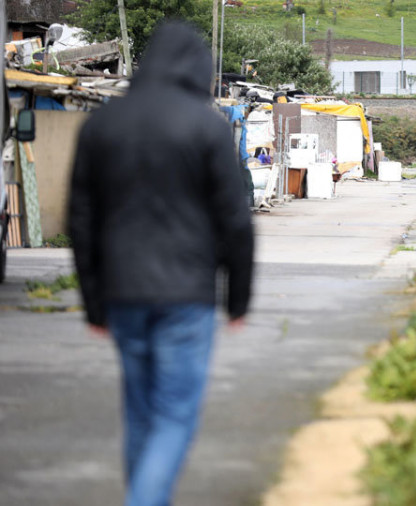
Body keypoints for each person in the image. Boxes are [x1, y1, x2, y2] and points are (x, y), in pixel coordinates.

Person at [68, 21, 254, 506]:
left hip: (123, 294)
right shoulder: (207, 127)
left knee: (140, 413)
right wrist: (238, 301)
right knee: (173, 415)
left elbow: (81, 220)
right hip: (187, 297)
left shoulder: (102, 124)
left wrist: (93, 304)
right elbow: (235, 220)